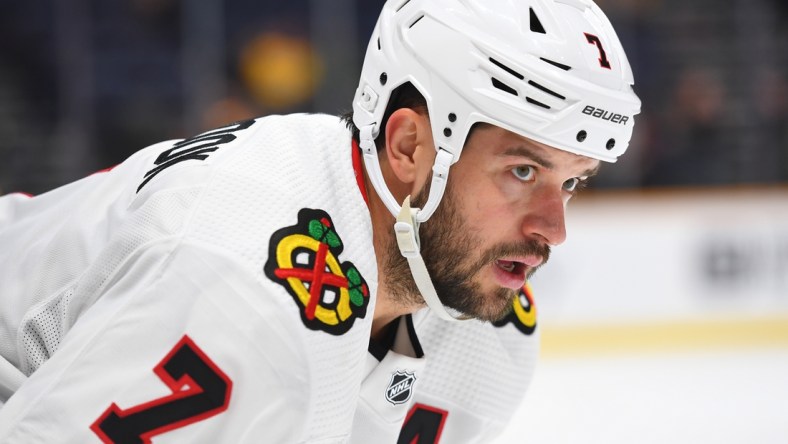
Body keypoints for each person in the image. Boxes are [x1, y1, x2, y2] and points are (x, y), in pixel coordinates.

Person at [0, 0, 640, 442]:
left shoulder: (489, 334)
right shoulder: (236, 288)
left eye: (572, 181)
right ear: (411, 148)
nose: (553, 228)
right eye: (523, 172)